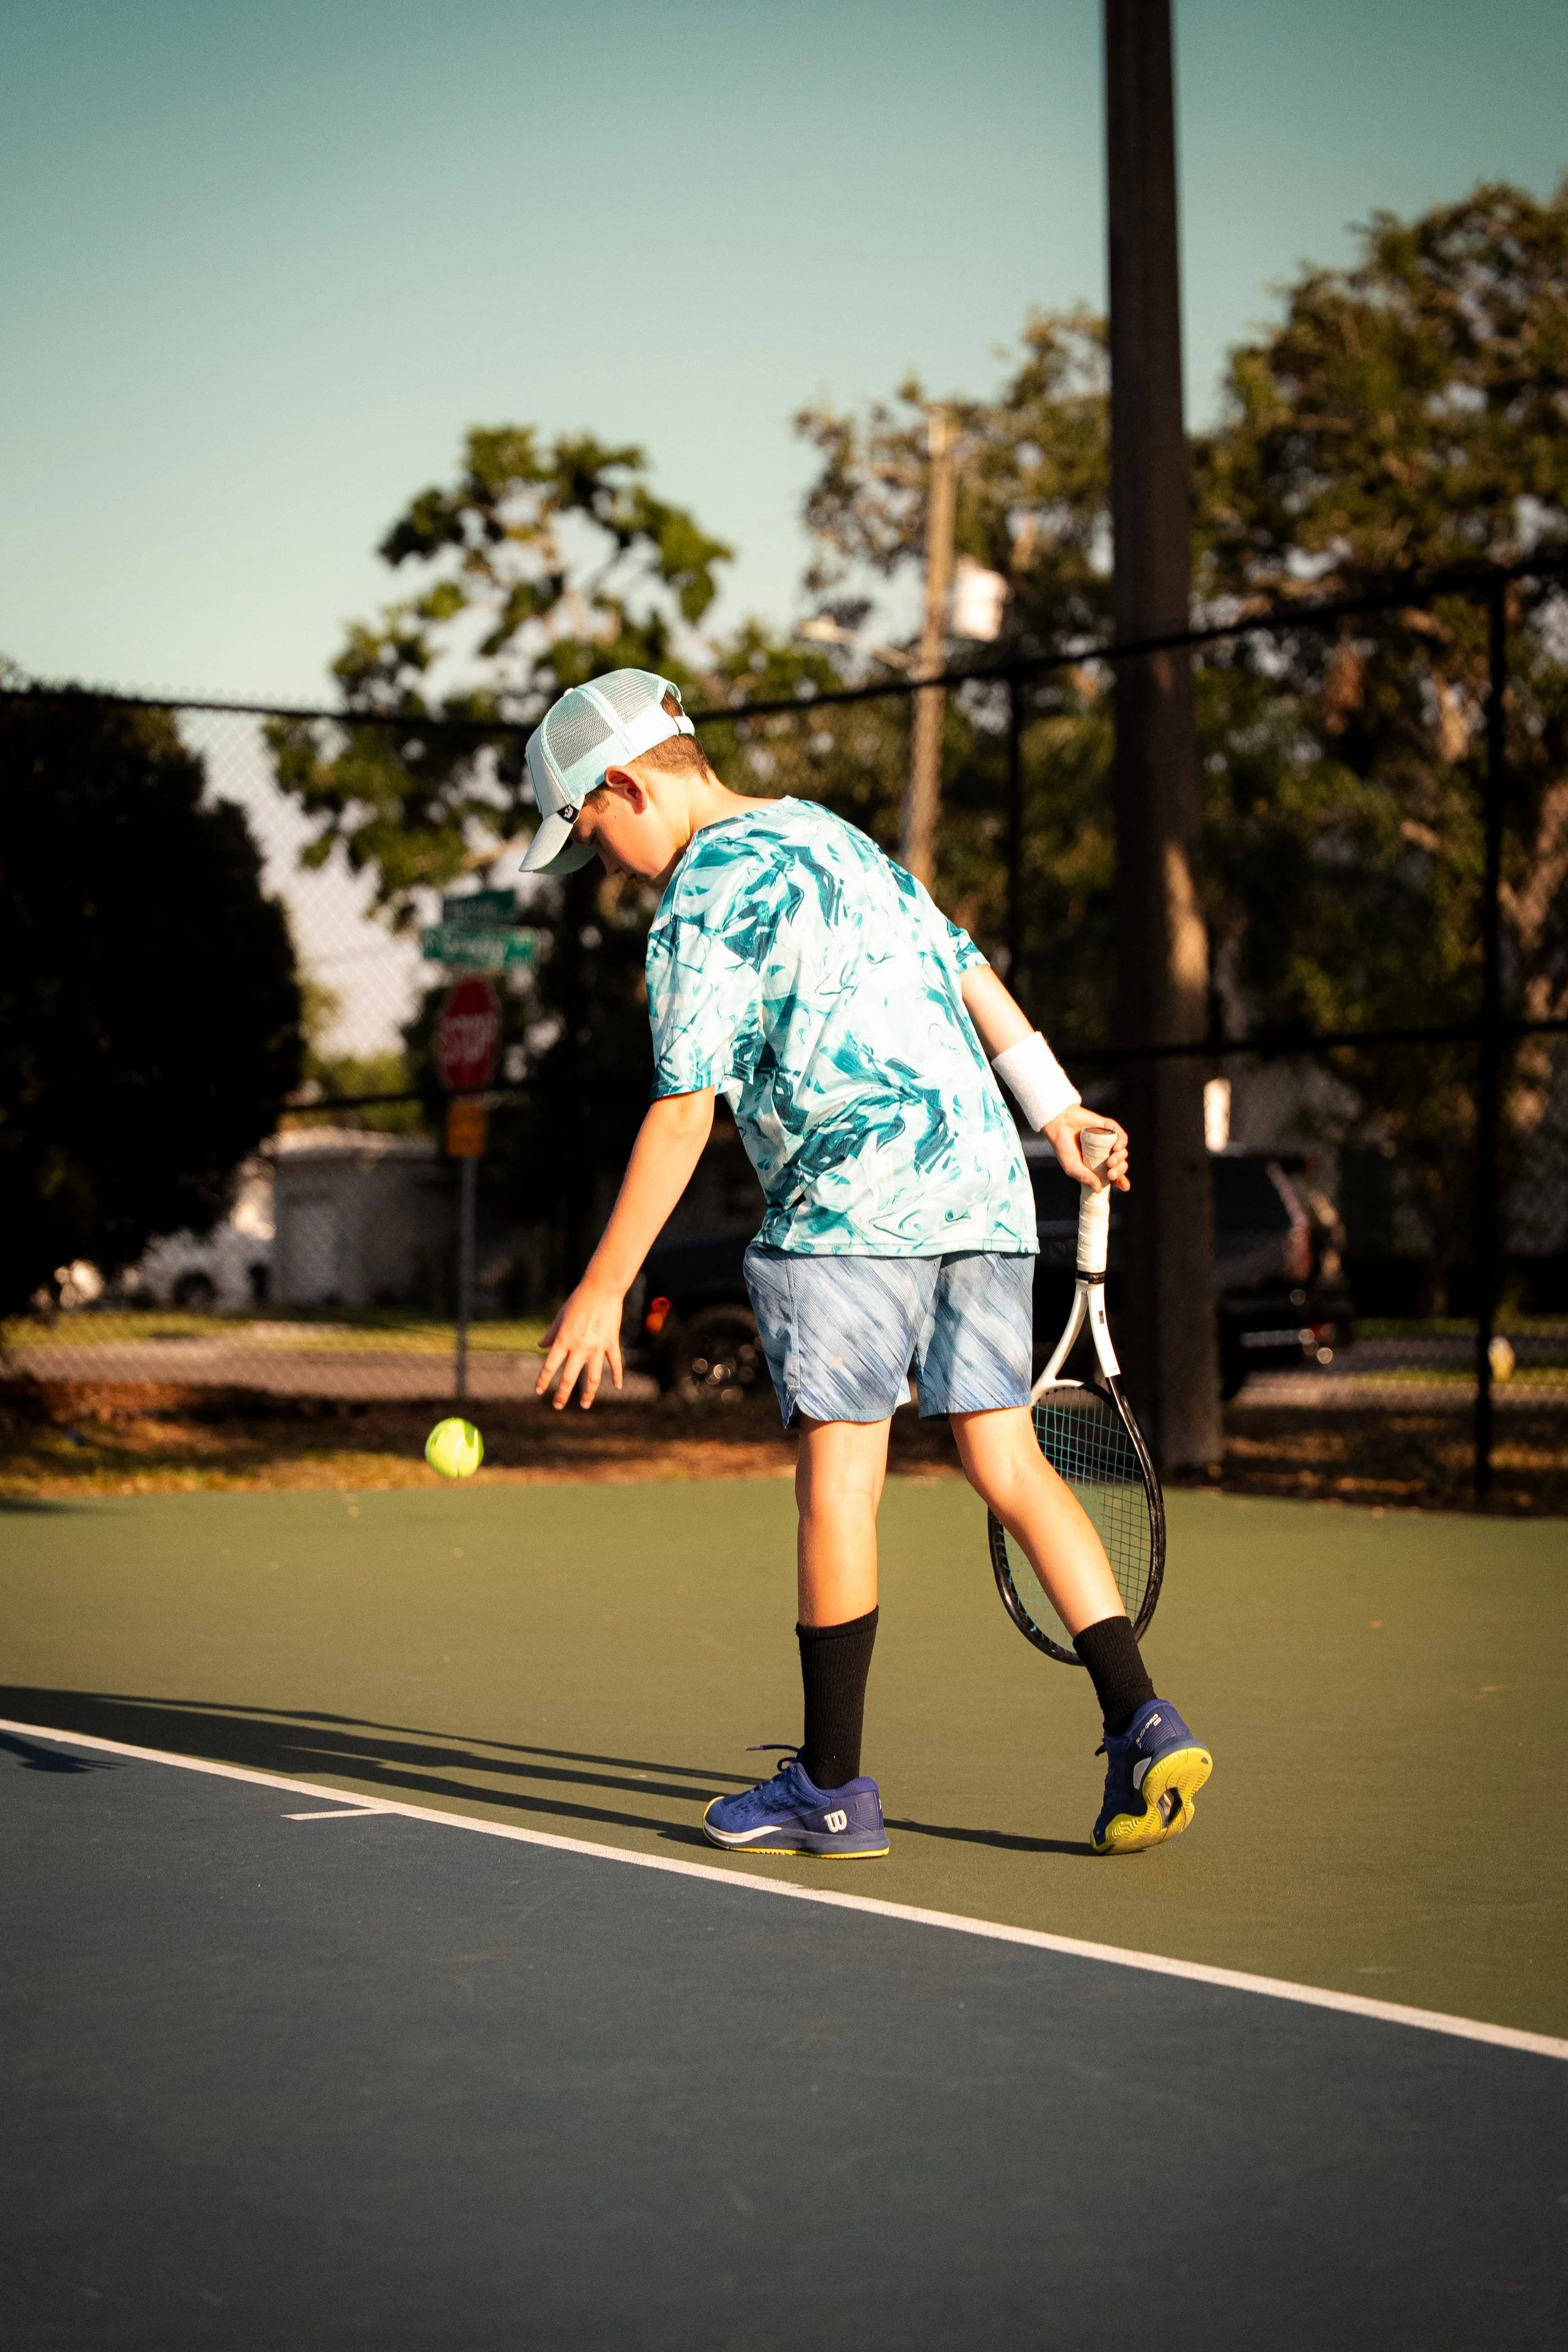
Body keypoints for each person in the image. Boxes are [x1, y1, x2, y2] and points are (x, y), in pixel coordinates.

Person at [523, 667, 1212, 1859]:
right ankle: (1140, 1718)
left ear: (628, 784)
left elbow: (685, 1112)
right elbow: (965, 967)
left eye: (595, 834)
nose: (611, 869)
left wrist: (601, 1286)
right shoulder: (835, 837)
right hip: (987, 1192)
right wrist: (1059, 1109)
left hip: (849, 1216)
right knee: (1009, 1462)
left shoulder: (698, 902)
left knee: (839, 1488)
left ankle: (832, 1788)